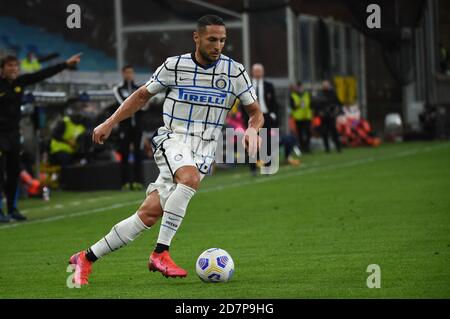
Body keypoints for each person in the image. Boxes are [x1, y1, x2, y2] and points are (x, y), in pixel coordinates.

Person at [68, 14, 264, 285]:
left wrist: (253, 129)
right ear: (197, 37)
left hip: (205, 150)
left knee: (148, 214)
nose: (217, 45)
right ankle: (161, 253)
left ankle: (86, 258)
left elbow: (255, 112)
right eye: (212, 39)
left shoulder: (235, 71)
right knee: (189, 178)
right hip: (174, 139)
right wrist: (110, 122)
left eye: (222, 40)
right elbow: (141, 96)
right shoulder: (174, 66)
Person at [0, 53, 81, 223]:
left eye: (15, 65)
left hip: (14, 135)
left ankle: (13, 209)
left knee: (14, 172)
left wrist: (65, 64)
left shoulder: (19, 82)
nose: (14, 69)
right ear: (2, 69)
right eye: (10, 66)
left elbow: (41, 74)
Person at [243, 63, 279, 174]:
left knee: (266, 141)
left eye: (260, 71)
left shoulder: (269, 85)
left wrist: (273, 114)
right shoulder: (247, 85)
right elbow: (243, 103)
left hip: (266, 116)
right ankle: (253, 167)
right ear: (252, 72)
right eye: (256, 71)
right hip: (252, 117)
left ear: (263, 72)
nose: (258, 73)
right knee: (252, 141)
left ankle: (267, 166)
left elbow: (274, 102)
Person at [113, 65, 144, 190]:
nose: (129, 75)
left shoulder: (139, 89)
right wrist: (136, 105)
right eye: (127, 72)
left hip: (138, 126)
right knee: (124, 154)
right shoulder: (118, 89)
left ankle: (138, 181)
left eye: (131, 72)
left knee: (138, 154)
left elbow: (144, 104)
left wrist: (137, 105)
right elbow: (123, 104)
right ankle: (125, 182)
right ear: (123, 74)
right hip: (124, 126)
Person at [314, 80, 343, 153]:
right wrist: (319, 112)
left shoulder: (332, 93)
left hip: (331, 116)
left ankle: (338, 147)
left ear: (329, 85)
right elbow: (316, 105)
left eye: (326, 85)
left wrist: (336, 110)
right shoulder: (320, 94)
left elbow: (338, 103)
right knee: (324, 133)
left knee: (334, 132)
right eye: (324, 85)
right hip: (323, 117)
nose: (325, 86)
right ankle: (327, 148)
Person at [290, 82, 312, 153]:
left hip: (307, 116)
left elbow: (311, 104)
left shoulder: (307, 94)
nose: (299, 89)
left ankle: (307, 147)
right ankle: (302, 147)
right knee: (300, 133)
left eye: (300, 87)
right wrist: (298, 104)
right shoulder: (293, 95)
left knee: (308, 132)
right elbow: (292, 106)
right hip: (298, 117)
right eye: (298, 87)